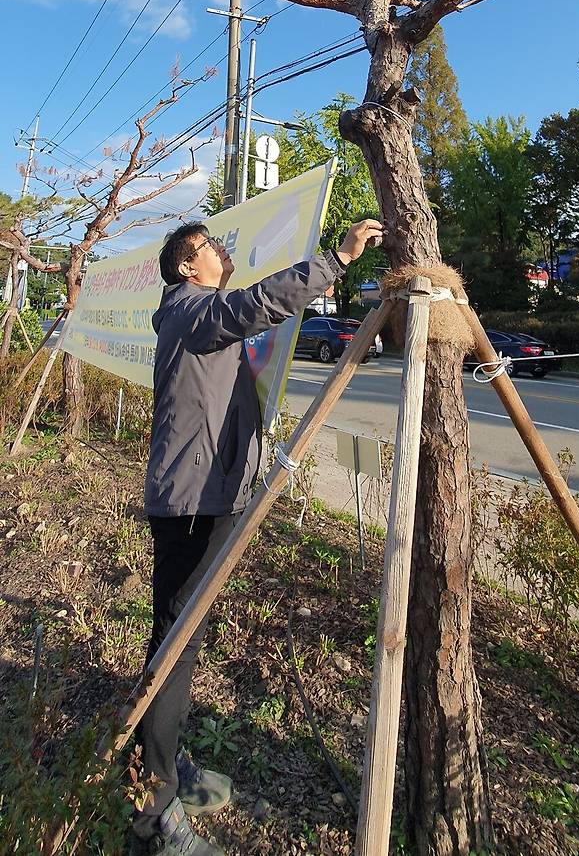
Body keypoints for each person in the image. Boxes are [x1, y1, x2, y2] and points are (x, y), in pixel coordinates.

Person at [132, 216, 383, 855]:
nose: (220, 250)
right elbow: (259, 304)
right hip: (191, 504)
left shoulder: (191, 313)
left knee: (180, 634)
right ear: (188, 268)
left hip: (204, 496)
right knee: (176, 643)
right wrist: (339, 257)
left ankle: (161, 762)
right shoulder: (192, 307)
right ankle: (155, 806)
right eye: (208, 248)